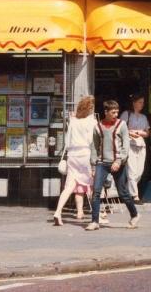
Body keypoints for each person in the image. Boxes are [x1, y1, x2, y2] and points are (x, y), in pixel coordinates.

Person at [86, 99, 138, 230]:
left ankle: (134, 215)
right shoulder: (97, 127)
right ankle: (94, 221)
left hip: (118, 163)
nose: (116, 115)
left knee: (123, 192)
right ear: (106, 112)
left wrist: (119, 161)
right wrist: (93, 165)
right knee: (96, 191)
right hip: (102, 163)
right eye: (113, 112)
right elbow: (94, 147)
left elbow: (125, 146)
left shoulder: (122, 125)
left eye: (117, 112)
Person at [53, 95, 97, 226]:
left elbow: (67, 140)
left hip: (72, 154)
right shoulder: (92, 122)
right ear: (90, 108)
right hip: (85, 153)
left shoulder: (73, 121)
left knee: (69, 186)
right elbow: (91, 141)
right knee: (91, 184)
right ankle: (98, 213)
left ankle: (57, 212)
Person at [120, 94, 150, 202]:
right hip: (130, 144)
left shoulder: (143, 117)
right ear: (134, 103)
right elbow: (120, 129)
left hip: (141, 145)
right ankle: (135, 196)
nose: (142, 104)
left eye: (143, 102)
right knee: (132, 170)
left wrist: (139, 132)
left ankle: (125, 192)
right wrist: (129, 132)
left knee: (139, 172)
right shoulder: (126, 114)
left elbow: (147, 133)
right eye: (140, 102)